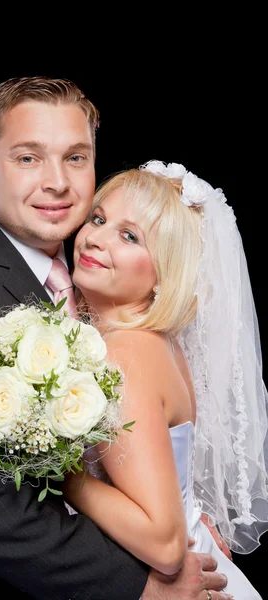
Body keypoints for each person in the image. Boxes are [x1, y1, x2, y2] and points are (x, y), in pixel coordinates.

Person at [0, 77, 232, 599]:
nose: (57, 182)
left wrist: (186, 515)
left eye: (77, 158)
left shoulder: (98, 285)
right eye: (28, 158)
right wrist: (138, 586)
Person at [62, 160, 268, 598]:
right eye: (99, 218)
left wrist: (66, 477)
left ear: (163, 275)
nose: (95, 237)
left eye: (129, 236)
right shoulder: (157, 342)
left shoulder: (125, 353)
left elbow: (166, 543)